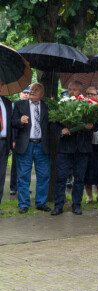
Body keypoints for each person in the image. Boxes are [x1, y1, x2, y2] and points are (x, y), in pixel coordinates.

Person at [50, 86, 97, 215]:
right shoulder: (61, 104)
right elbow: (53, 123)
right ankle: (58, 205)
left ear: (80, 92)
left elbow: (97, 123)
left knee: (79, 178)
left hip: (82, 148)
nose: (71, 91)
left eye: (74, 89)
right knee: (61, 178)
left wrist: (91, 126)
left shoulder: (89, 105)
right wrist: (61, 130)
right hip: (65, 148)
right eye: (70, 89)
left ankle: (76, 205)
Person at [12, 82, 51, 214]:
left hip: (42, 145)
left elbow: (52, 125)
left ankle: (41, 203)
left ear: (42, 94)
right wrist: (19, 121)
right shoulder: (19, 105)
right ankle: (23, 203)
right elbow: (12, 123)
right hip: (25, 145)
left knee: (44, 176)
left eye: (36, 89)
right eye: (31, 89)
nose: (32, 91)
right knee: (23, 176)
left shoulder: (47, 107)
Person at [84, 87, 98, 204]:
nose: (90, 96)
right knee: (87, 170)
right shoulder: (82, 107)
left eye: (92, 94)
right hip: (87, 143)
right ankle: (89, 196)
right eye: (88, 94)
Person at [0, 81, 13, 215]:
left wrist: (10, 143)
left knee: (1, 175)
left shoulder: (7, 102)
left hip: (4, 144)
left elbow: (10, 125)